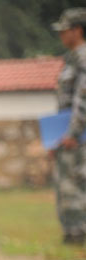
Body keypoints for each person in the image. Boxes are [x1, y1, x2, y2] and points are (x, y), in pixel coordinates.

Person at [52, 8, 86, 245]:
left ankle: (78, 232)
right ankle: (72, 230)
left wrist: (73, 132)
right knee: (66, 186)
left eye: (65, 29)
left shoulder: (83, 59)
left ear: (77, 30)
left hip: (79, 137)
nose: (62, 34)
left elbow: (82, 100)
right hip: (67, 134)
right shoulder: (71, 59)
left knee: (76, 184)